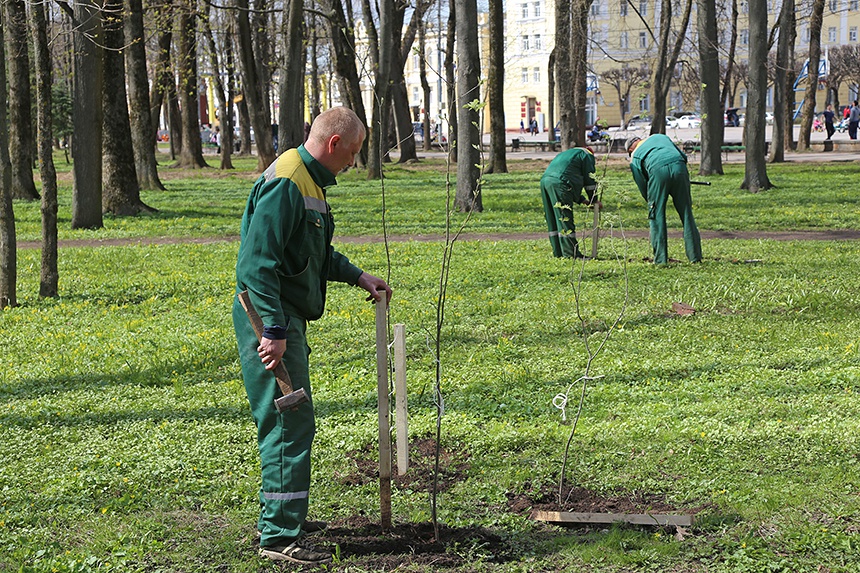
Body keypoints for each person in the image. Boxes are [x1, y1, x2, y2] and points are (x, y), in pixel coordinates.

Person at [233, 107, 392, 565]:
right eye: (354, 154)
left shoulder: (307, 180)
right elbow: (255, 265)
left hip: (284, 318)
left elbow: (311, 250)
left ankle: (285, 516)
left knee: (294, 418)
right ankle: (279, 536)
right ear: (335, 143)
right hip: (268, 319)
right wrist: (275, 331)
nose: (354, 164)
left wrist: (356, 275)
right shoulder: (288, 182)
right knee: (290, 420)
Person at [626, 135, 702, 265]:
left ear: (631, 148)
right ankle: (695, 257)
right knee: (686, 212)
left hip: (657, 171)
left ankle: (661, 260)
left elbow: (642, 183)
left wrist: (651, 202)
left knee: (657, 216)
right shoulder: (660, 137)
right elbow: (683, 157)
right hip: (680, 167)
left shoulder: (636, 156)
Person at [539, 147, 600, 258]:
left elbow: (568, 177)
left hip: (545, 181)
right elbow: (589, 179)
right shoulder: (586, 155)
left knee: (552, 218)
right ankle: (571, 254)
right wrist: (594, 200)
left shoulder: (568, 154)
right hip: (559, 182)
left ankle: (558, 252)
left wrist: (583, 200)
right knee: (564, 217)